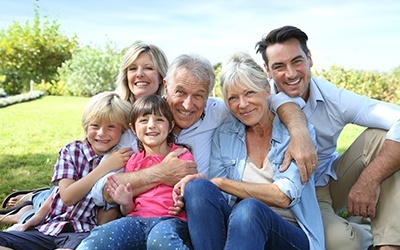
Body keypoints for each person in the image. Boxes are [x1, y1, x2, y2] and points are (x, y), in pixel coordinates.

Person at [255, 25, 400, 250]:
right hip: (277, 191)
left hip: (322, 184)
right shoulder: (256, 100)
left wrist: (368, 179)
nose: (291, 73)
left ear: (310, 58)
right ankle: (362, 225)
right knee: (344, 244)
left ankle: (389, 242)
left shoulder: (335, 99)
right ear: (267, 70)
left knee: (381, 137)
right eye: (279, 66)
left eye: (297, 61)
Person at [0, 42, 170, 227]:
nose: (139, 74)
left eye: (148, 68)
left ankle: (29, 204)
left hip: (115, 198)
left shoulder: (166, 114)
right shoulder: (114, 106)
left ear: (162, 75)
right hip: (91, 192)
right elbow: (75, 181)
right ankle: (30, 204)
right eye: (133, 68)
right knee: (59, 204)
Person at [174, 52, 324, 249]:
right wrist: (203, 185)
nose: (242, 105)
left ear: (265, 89)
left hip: (289, 234)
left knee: (249, 208)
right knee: (198, 188)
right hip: (241, 233)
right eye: (233, 98)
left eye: (249, 93)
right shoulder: (224, 134)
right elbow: (221, 198)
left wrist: (221, 182)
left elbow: (283, 196)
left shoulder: (297, 136)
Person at [0, 91, 132, 250]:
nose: (101, 133)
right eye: (95, 125)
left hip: (81, 233)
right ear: (86, 126)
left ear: (123, 130)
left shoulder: (123, 159)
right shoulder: (72, 151)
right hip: (49, 227)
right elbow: (68, 196)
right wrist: (105, 167)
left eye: (111, 126)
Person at [78, 94, 194, 249]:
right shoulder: (133, 160)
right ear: (133, 128)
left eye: (159, 120)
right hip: (136, 220)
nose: (151, 125)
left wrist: (182, 201)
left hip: (170, 219)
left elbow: (191, 187)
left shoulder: (181, 154)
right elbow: (129, 209)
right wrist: (126, 202)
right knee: (99, 237)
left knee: (160, 240)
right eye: (144, 120)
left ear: (170, 125)